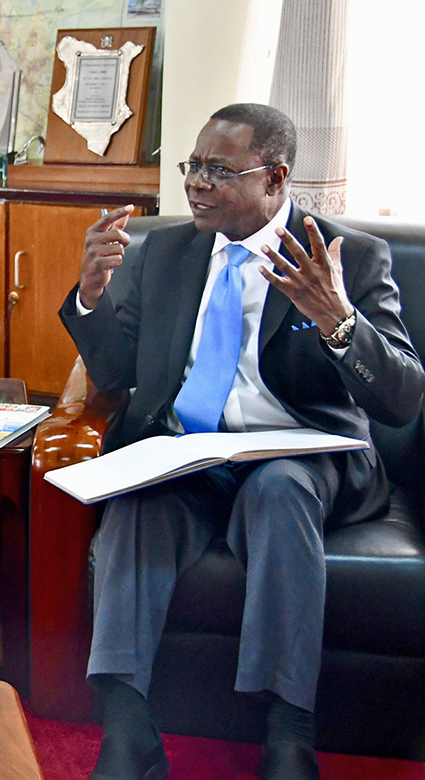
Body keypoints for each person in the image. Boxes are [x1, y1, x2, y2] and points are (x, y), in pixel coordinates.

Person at [61, 103, 424, 780]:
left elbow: (401, 399)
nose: (196, 183)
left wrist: (338, 321)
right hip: (191, 454)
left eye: (217, 171)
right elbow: (115, 373)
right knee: (136, 505)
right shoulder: (165, 253)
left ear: (275, 177)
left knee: (280, 489)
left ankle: (289, 735)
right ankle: (127, 728)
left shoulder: (346, 257)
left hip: (307, 455)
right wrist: (90, 297)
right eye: (192, 167)